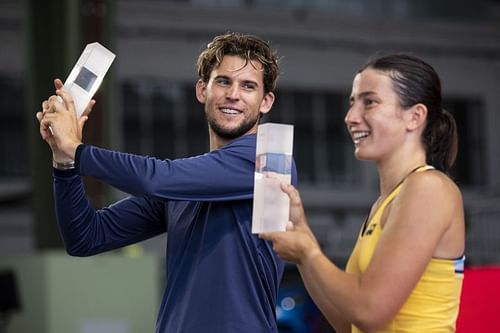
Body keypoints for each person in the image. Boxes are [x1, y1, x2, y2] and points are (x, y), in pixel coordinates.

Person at [36, 32, 297, 333]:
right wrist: (64, 160)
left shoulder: (271, 160)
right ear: (202, 90)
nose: (233, 94)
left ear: (266, 102)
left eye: (248, 86)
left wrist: (76, 148)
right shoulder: (186, 185)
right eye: (223, 81)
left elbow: (156, 178)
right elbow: (85, 237)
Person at [260, 53, 465, 333]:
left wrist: (309, 254)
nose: (350, 118)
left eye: (369, 102)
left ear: (415, 117)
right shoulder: (384, 203)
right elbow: (351, 324)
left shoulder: (429, 188)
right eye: (352, 103)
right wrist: (304, 240)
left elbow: (370, 311)